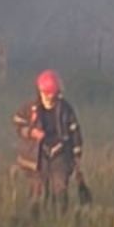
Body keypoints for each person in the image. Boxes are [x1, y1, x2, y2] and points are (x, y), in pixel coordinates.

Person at [13, 69, 92, 206]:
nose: (51, 98)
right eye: (48, 94)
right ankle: (36, 217)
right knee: (37, 191)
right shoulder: (30, 108)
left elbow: (75, 132)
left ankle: (60, 216)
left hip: (60, 153)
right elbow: (18, 123)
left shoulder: (66, 109)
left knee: (60, 188)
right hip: (38, 155)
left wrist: (77, 156)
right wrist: (32, 132)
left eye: (54, 94)